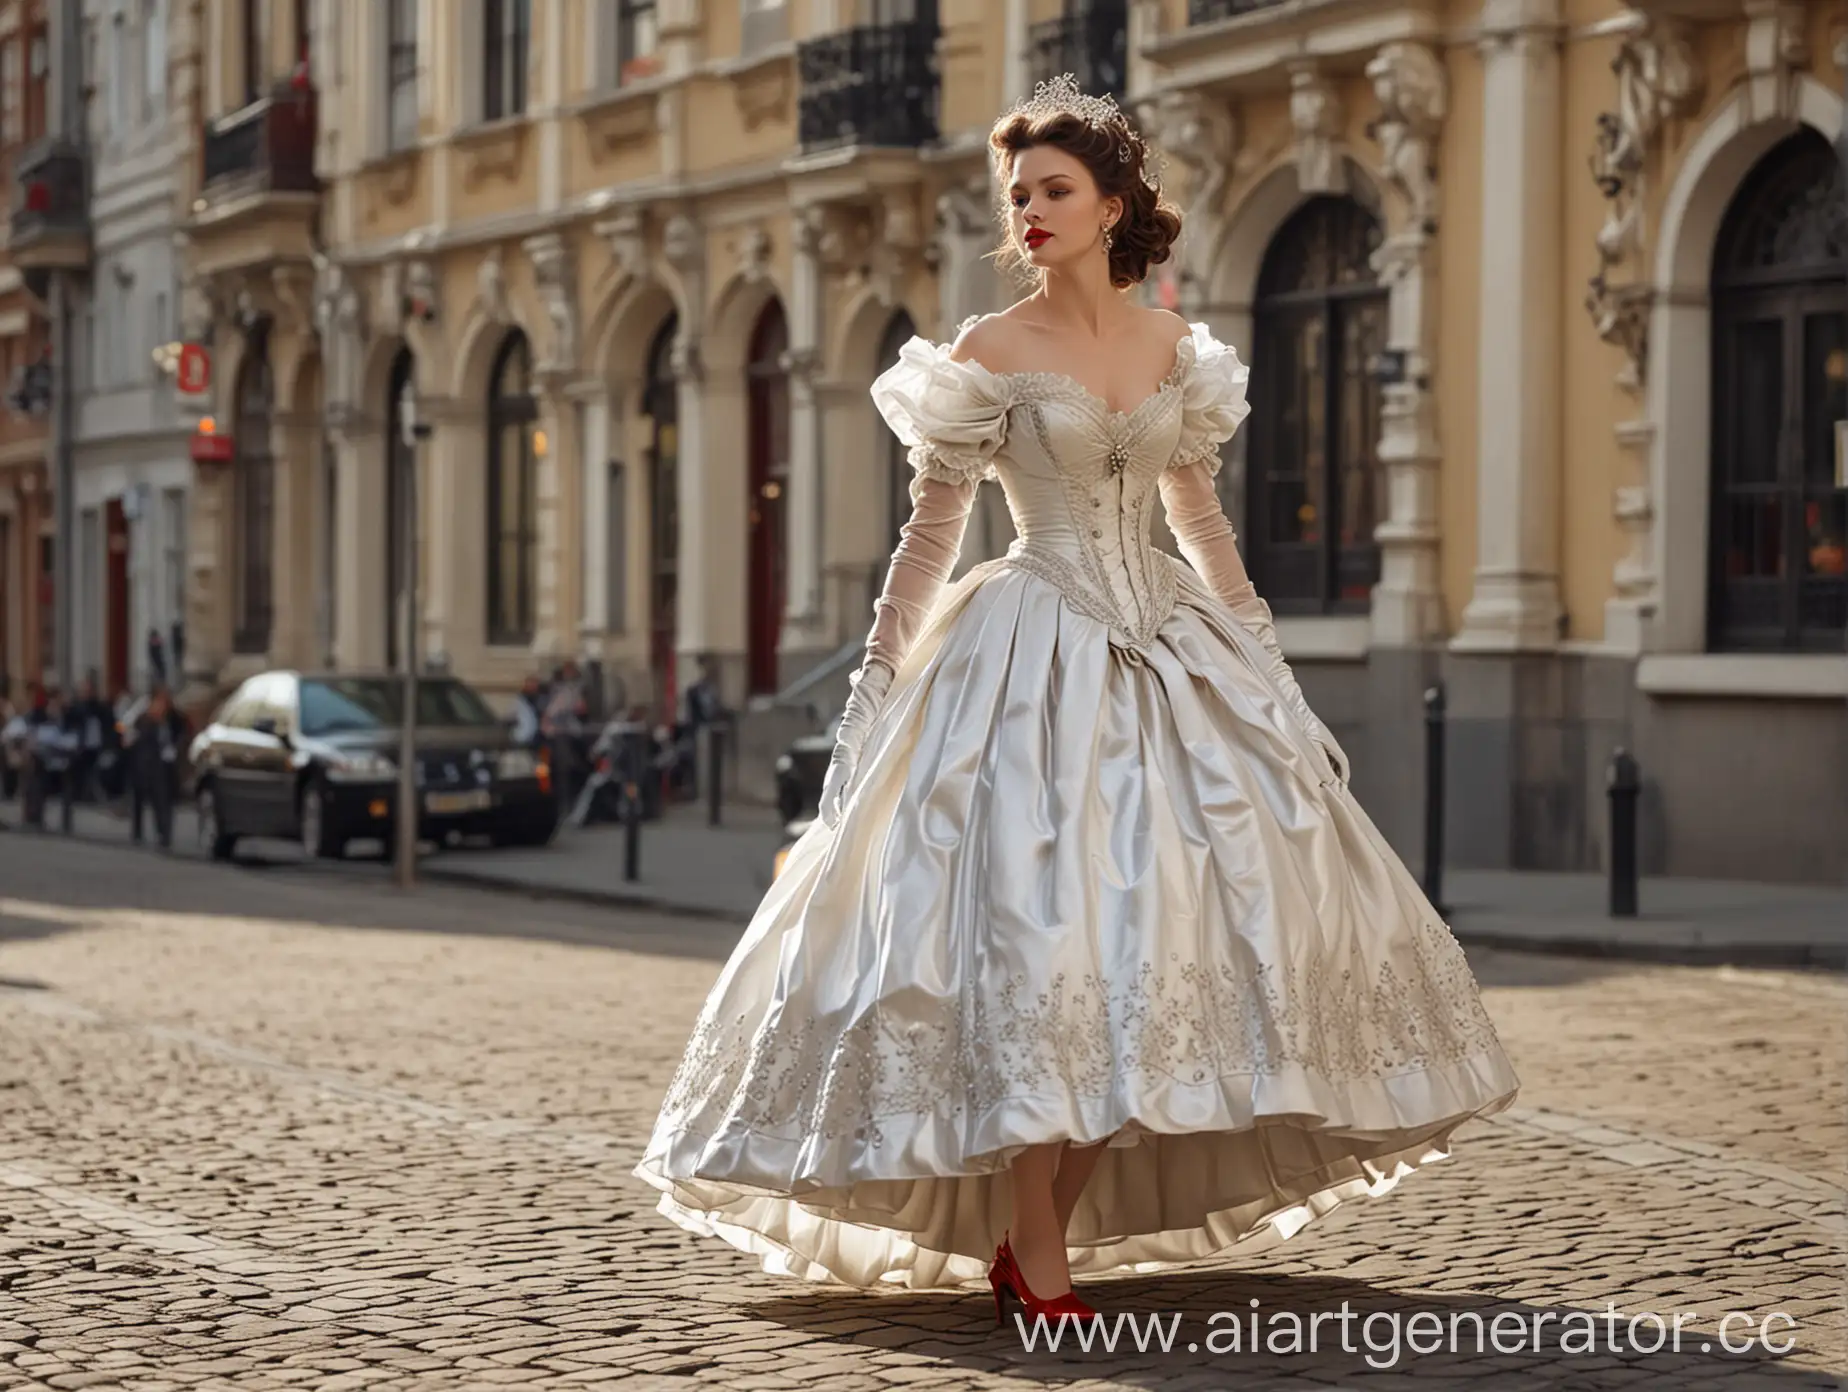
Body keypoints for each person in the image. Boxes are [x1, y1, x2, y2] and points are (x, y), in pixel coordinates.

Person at [635, 78, 1520, 1316]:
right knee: (1043, 944)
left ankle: (1032, 1231)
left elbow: (1196, 514)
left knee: (1178, 950)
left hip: (1173, 657)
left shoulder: (1175, 349)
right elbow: (929, 540)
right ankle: (1033, 1244)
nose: (1030, 211)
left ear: (1114, 205)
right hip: (1022, 661)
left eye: (1054, 190)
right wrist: (878, 682)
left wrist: (1262, 662)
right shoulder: (986, 353)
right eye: (1018, 195)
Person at [128, 683, 188, 849]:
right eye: (160, 701)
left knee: (165, 801)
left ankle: (165, 834)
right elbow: (135, 735)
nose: (162, 705)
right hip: (149, 766)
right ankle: (141, 832)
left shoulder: (173, 717)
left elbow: (183, 730)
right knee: (148, 801)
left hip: (168, 765)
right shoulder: (145, 720)